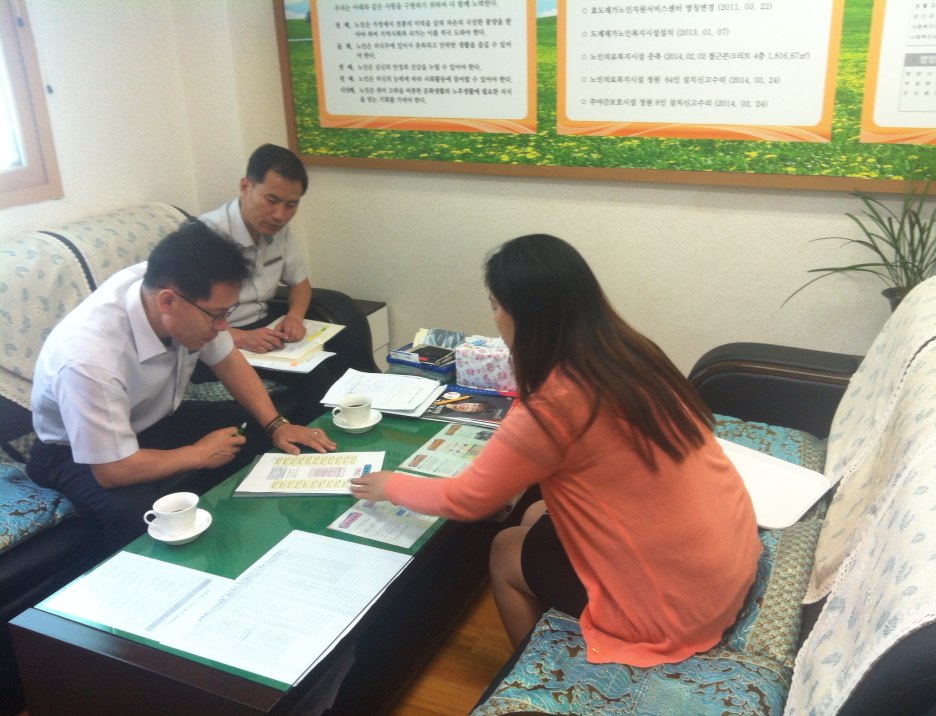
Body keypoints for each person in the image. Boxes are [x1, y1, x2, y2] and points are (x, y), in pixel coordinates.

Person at [351, 234, 761, 667]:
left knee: (506, 548)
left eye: (495, 306)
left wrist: (389, 485)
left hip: (676, 609)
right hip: (725, 559)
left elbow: (467, 499)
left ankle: (538, 669)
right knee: (533, 511)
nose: (494, 318)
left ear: (523, 315)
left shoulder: (554, 405)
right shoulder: (630, 352)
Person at [27, 220, 336, 546]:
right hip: (76, 454)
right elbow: (113, 470)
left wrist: (277, 424)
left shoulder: (177, 292)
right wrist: (198, 454)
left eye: (227, 313)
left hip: (148, 421)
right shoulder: (89, 359)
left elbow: (227, 359)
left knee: (247, 428)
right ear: (167, 302)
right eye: (216, 315)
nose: (223, 326)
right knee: (144, 514)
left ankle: (234, 535)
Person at [195, 144, 377, 421]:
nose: (279, 214)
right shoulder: (206, 237)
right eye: (271, 200)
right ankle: (323, 440)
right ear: (246, 186)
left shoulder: (277, 229)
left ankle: (384, 412)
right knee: (313, 371)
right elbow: (190, 319)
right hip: (217, 339)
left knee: (348, 339)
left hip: (263, 326)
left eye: (291, 205)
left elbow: (300, 283)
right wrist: (241, 337)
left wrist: (294, 316)